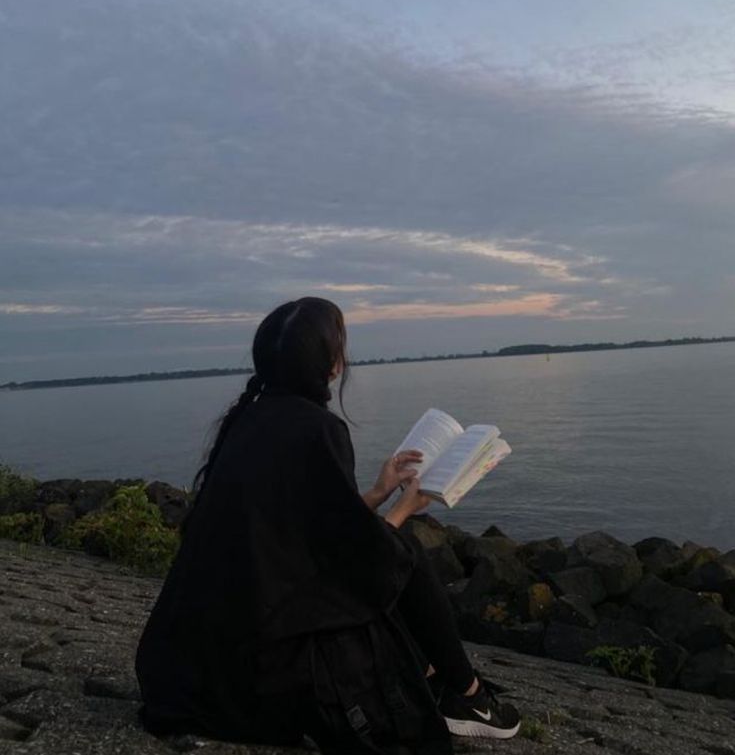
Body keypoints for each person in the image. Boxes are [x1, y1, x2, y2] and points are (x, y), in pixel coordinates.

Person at [135, 297, 521, 752]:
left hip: (188, 661)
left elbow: (302, 529)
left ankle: (446, 682)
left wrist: (378, 494)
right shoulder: (317, 427)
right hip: (255, 671)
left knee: (388, 557)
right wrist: (404, 508)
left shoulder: (248, 419)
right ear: (332, 366)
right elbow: (358, 555)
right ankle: (472, 697)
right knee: (404, 554)